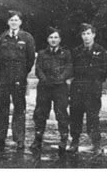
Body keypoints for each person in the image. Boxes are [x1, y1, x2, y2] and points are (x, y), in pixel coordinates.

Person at [0, 10, 35, 150]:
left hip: (19, 78)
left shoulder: (27, 38)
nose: (14, 22)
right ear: (8, 22)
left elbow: (30, 60)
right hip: (3, 77)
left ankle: (19, 139)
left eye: (16, 20)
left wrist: (22, 74)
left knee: (19, 108)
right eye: (11, 20)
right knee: (2, 107)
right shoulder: (2, 37)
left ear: (20, 22)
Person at [69, 23, 107, 155]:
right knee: (75, 116)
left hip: (93, 89)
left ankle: (96, 144)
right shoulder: (76, 51)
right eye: (83, 34)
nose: (86, 37)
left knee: (93, 118)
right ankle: (74, 143)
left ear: (93, 35)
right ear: (81, 36)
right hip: (78, 89)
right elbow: (71, 69)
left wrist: (97, 79)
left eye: (88, 33)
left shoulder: (101, 50)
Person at [30, 27, 71, 156]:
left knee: (61, 113)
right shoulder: (42, 54)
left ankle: (64, 140)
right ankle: (38, 139)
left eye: (56, 37)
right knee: (40, 113)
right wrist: (45, 80)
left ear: (60, 39)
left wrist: (61, 78)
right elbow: (38, 69)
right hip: (45, 87)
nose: (53, 40)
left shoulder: (66, 53)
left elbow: (69, 68)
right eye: (51, 37)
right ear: (47, 39)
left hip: (60, 88)